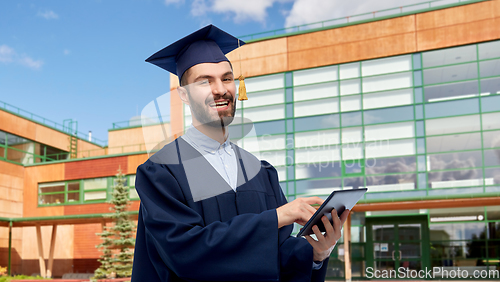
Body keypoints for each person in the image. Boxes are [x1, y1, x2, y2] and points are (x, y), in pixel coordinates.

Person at [131, 24, 349, 282]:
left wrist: (317, 254)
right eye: (205, 81)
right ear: (184, 95)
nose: (220, 89)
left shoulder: (260, 171)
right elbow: (186, 255)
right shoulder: (162, 170)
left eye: (226, 78)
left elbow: (277, 253)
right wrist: (277, 217)